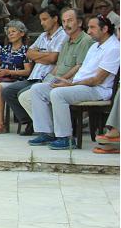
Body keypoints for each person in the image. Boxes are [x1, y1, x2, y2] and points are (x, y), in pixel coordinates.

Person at [27, 15, 119, 150]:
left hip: (97, 89)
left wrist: (71, 85)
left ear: (105, 29)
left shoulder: (114, 48)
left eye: (92, 27)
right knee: (37, 89)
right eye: (88, 28)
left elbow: (97, 79)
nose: (88, 31)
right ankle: (47, 133)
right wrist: (67, 80)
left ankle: (66, 138)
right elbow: (84, 70)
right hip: (80, 85)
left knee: (59, 94)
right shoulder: (95, 46)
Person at [17, 9, 94, 129]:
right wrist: (49, 80)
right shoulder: (67, 41)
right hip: (58, 79)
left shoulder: (85, 40)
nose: (66, 24)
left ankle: (56, 129)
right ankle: (48, 130)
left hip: (71, 82)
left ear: (79, 23)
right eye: (64, 21)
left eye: (70, 21)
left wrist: (60, 79)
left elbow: (79, 66)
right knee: (26, 95)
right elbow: (57, 65)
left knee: (36, 94)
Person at [1, 7, 67, 135]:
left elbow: (54, 58)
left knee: (22, 94)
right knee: (8, 91)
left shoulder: (62, 35)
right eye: (40, 20)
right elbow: (29, 53)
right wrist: (45, 56)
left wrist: (40, 55)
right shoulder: (42, 36)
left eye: (44, 19)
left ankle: (44, 127)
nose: (42, 23)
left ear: (55, 19)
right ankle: (32, 122)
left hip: (47, 78)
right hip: (33, 77)